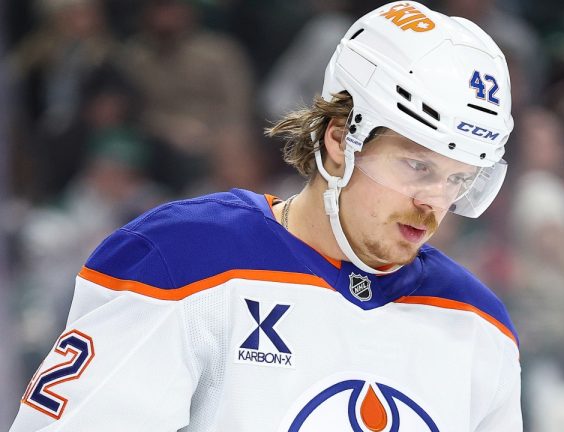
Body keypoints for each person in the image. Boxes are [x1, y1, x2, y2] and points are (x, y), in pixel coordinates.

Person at [10, 2, 521, 430]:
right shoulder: (183, 260)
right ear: (341, 139)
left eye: (457, 179)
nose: (433, 203)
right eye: (417, 165)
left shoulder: (479, 326)